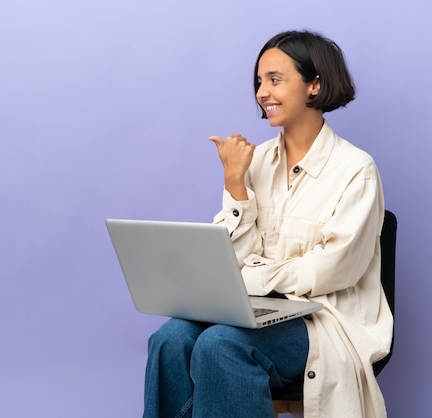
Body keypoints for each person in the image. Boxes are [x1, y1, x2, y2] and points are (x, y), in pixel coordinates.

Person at [143, 30, 393, 418]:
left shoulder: (355, 170)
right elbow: (229, 259)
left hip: (322, 321)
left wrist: (250, 278)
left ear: (315, 85)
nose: (262, 92)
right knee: (170, 339)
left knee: (221, 345)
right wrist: (235, 184)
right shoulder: (254, 161)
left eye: (275, 80)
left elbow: (333, 268)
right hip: (252, 307)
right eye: (259, 81)